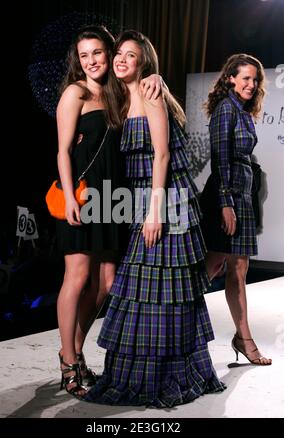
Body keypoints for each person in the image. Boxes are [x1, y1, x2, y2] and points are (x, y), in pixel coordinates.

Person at [84, 30, 225, 407]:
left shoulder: (150, 94)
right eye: (119, 54)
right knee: (142, 289)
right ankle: (135, 372)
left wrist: (154, 212)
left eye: (131, 55)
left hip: (164, 202)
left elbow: (161, 156)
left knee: (166, 289)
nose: (121, 59)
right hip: (140, 203)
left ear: (144, 61)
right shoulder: (120, 98)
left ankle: (168, 374)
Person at [54, 25, 162, 399]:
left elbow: (143, 82)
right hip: (82, 198)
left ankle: (77, 350)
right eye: (84, 55)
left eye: (97, 52)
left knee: (106, 283)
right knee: (77, 276)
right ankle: (68, 361)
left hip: (113, 197)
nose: (91, 61)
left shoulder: (117, 93)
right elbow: (62, 151)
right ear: (77, 60)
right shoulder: (75, 93)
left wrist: (157, 78)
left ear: (108, 52)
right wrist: (69, 197)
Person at [200, 54, 272, 365]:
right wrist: (226, 204)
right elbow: (220, 160)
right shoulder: (224, 109)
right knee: (212, 267)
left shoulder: (242, 111)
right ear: (230, 78)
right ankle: (174, 321)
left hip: (241, 198)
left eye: (255, 80)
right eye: (245, 78)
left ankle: (244, 338)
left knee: (238, 270)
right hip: (224, 198)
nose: (251, 84)